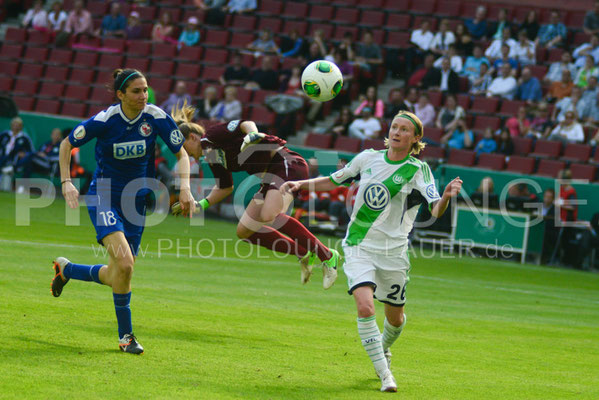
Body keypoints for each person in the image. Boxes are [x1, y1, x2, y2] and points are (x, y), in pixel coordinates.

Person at [280, 110, 463, 393]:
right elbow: (335, 179)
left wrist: (447, 197)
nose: (396, 132)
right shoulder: (367, 158)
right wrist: (300, 184)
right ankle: (385, 375)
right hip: (358, 245)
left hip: (394, 253)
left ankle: (383, 348)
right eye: (394, 127)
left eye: (404, 129)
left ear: (415, 138)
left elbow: (435, 208)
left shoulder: (417, 170)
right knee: (365, 307)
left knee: (395, 319)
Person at [51, 69, 196, 355]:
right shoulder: (106, 120)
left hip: (136, 202)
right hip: (103, 196)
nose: (143, 96)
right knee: (126, 265)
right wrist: (66, 182)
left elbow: (182, 153)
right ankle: (125, 337)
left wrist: (186, 188)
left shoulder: (155, 117)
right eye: (136, 91)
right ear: (120, 94)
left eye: (145, 90)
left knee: (118, 274)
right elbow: (67, 143)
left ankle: (66, 270)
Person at [170, 105, 340, 288]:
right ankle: (304, 252)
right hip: (269, 175)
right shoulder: (211, 156)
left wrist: (252, 135)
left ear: (193, 137)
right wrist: (199, 204)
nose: (187, 156)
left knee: (269, 216)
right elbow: (225, 187)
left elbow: (245, 123)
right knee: (244, 231)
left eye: (185, 149)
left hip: (286, 163)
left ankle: (328, 256)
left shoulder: (212, 136)